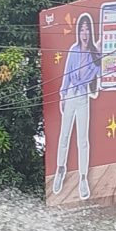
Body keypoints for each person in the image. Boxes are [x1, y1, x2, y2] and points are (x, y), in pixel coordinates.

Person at [46, 13, 100, 204]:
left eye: (87, 29)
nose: (84, 32)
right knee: (64, 135)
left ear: (91, 31)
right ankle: (61, 169)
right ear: (79, 31)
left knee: (83, 140)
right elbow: (67, 75)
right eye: (82, 29)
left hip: (84, 96)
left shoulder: (96, 53)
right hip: (70, 95)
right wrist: (62, 95)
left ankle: (83, 178)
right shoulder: (73, 49)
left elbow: (99, 78)